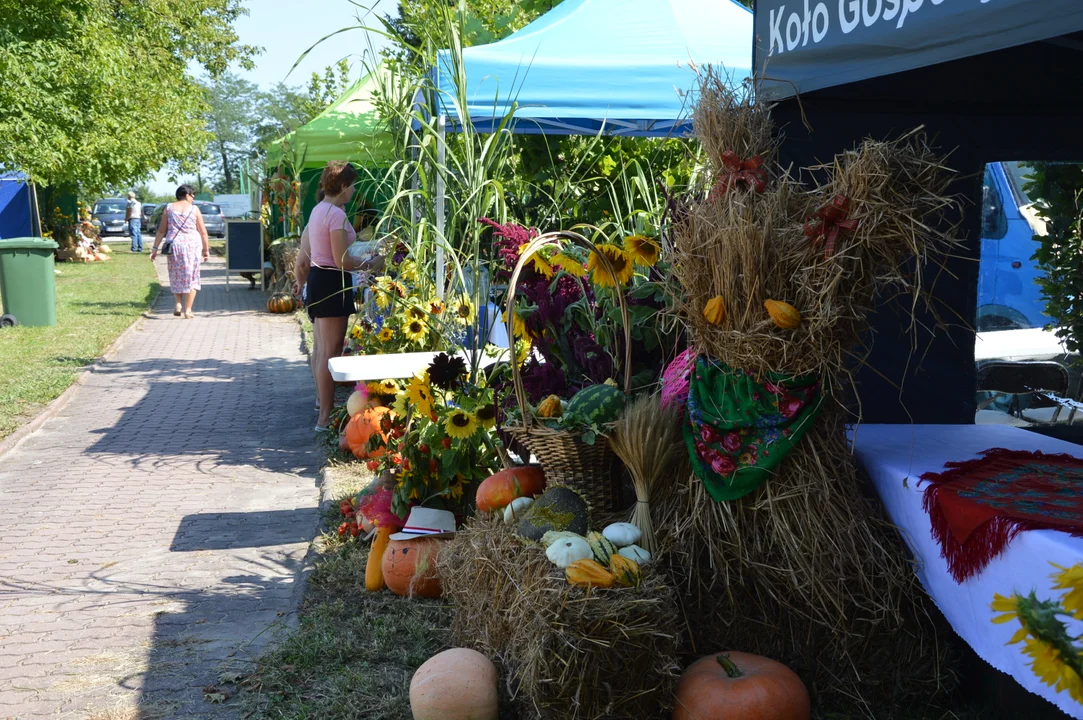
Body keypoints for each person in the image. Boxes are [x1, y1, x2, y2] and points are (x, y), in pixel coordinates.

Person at [295, 161, 384, 431]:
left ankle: (322, 406)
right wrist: (372, 263)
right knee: (330, 354)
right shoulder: (335, 215)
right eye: (353, 185)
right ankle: (325, 415)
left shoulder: (318, 210)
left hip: (319, 280)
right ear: (344, 186)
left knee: (322, 350)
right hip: (333, 281)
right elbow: (341, 259)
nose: (355, 190)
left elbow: (310, 256)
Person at [151, 185, 210, 319]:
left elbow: (161, 230)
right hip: (192, 246)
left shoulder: (169, 208)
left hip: (174, 245)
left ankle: (178, 303)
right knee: (192, 276)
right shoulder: (194, 209)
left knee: (176, 274)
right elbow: (203, 232)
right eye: (192, 194)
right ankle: (187, 310)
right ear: (186, 194)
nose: (193, 197)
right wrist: (206, 250)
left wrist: (155, 249)